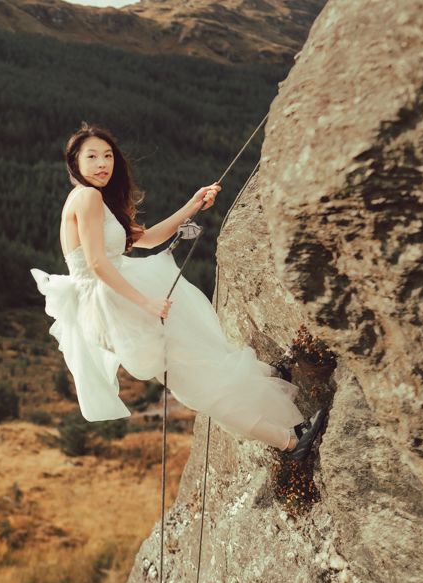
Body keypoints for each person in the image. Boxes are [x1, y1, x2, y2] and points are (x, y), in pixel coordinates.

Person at [31, 122, 325, 459]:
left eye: (108, 155)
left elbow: (148, 238)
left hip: (114, 297)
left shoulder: (96, 200)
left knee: (194, 357)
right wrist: (146, 303)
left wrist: (194, 203)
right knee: (191, 373)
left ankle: (271, 384)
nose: (102, 164)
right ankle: (289, 439)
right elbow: (97, 264)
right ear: (75, 164)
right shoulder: (87, 196)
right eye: (92, 156)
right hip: (113, 302)